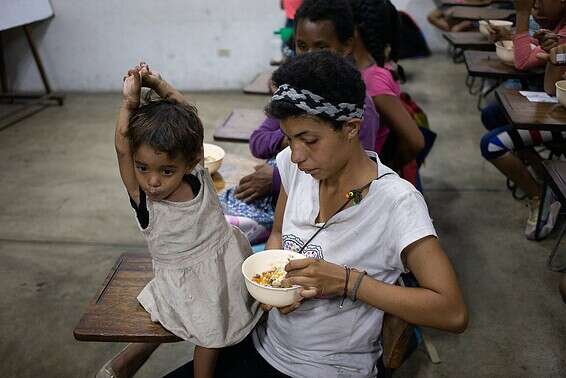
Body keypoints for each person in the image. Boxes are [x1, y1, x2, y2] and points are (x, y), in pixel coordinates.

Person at [167, 51, 468, 378]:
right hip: (265, 346)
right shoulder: (295, 169)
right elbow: (279, 234)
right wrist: (275, 284)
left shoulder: (397, 203)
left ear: (351, 127)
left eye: (309, 140)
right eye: (290, 138)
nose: (296, 155)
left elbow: (451, 312)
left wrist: (347, 282)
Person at [98, 63, 262, 378]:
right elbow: (122, 146)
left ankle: (126, 362)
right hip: (185, 284)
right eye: (142, 167)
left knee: (233, 321)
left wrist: (159, 84)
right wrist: (129, 104)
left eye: (166, 171)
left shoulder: (198, 173)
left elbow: (191, 119)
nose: (152, 181)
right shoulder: (143, 200)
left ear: (189, 161)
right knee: (212, 335)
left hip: (226, 265)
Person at [220, 0, 380, 245]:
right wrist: (290, 139)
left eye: (321, 47)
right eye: (301, 46)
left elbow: (354, 181)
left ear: (347, 46)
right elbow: (258, 142)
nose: (309, 56)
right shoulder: (292, 95)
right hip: (289, 195)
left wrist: (276, 177)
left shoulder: (355, 107)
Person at [480, 0, 566, 239]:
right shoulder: (556, 28)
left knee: (491, 144)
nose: (534, 3)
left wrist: (521, 14)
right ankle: (547, 180)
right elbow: (549, 85)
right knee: (492, 114)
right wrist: (551, 54)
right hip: (555, 106)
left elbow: (523, 61)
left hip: (560, 117)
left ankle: (538, 194)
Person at [350, 0, 425, 182]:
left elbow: (415, 141)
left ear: (354, 32)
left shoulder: (373, 81)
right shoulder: (371, 70)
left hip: (366, 180)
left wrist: (388, 168)